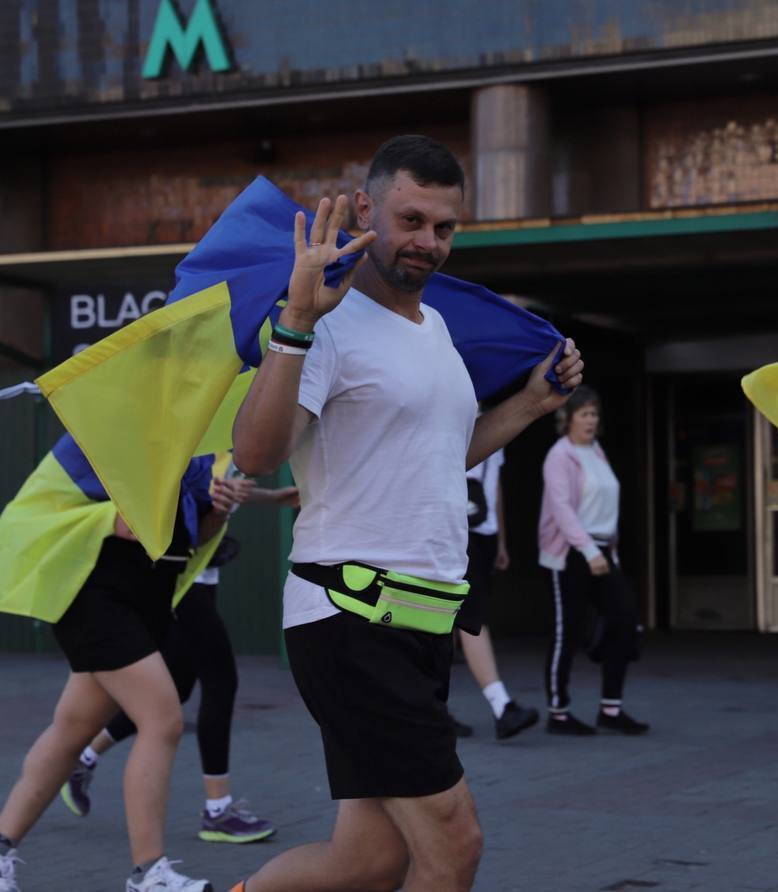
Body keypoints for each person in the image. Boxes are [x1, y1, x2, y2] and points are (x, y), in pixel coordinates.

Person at [228, 134, 583, 892]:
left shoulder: (437, 330)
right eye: (410, 219)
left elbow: (439, 454)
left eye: (444, 227)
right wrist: (295, 321)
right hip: (351, 617)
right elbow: (257, 454)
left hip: (421, 625)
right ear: (365, 210)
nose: (427, 242)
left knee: (370, 860)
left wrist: (530, 403)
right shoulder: (324, 322)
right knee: (454, 848)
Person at [0, 439, 228, 892]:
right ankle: (149, 874)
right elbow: (40, 508)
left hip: (152, 595)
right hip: (95, 592)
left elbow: (194, 534)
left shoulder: (196, 443)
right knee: (162, 719)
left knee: (72, 730)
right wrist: (110, 517)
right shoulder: (99, 424)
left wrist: (218, 510)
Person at [61, 470, 298, 845]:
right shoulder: (196, 434)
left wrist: (272, 497)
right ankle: (217, 810)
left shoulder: (221, 445)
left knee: (180, 686)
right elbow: (198, 488)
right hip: (182, 584)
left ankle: (84, 759)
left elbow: (220, 490)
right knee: (221, 681)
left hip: (200, 582)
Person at [538, 386, 647, 736]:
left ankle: (610, 708)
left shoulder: (596, 451)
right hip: (571, 553)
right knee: (565, 633)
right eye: (583, 414)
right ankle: (558, 713)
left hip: (602, 551)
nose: (590, 420)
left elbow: (605, 507)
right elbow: (562, 509)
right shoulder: (559, 455)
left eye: (594, 414)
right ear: (567, 418)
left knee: (625, 620)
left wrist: (606, 554)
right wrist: (588, 552)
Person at [453, 446, 540, 740]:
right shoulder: (455, 417)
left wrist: (500, 539)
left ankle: (433, 707)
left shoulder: (495, 428)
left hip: (483, 532)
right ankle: (501, 704)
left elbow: (496, 487)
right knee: (471, 619)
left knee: (454, 618)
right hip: (460, 532)